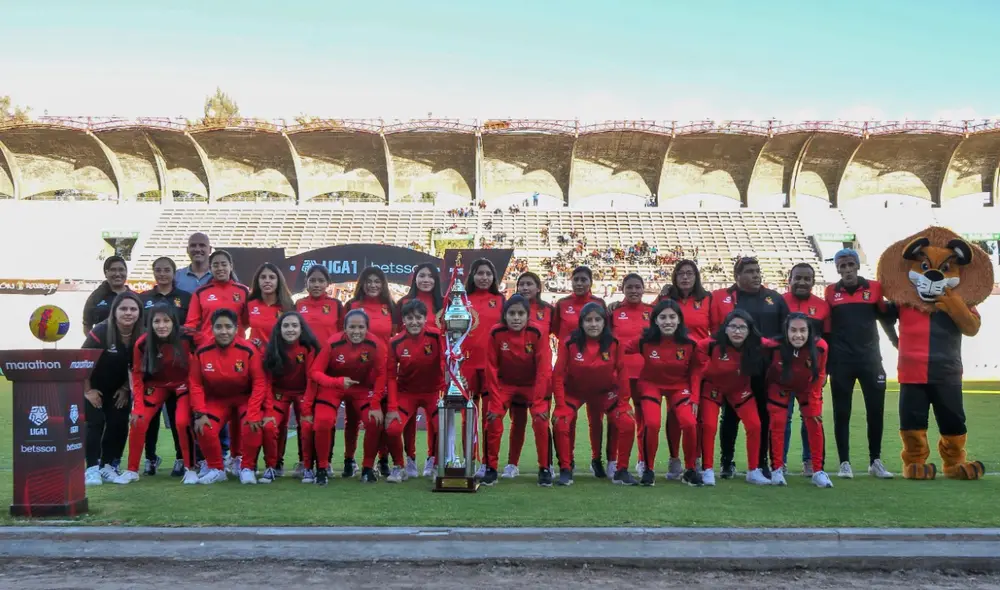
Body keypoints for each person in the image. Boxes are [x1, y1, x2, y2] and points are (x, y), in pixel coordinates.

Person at [303, 310, 403, 484]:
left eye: (361, 327)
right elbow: (314, 372)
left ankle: (367, 468)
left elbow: (381, 375)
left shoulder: (375, 344)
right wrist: (337, 382)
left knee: (373, 420)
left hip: (361, 389)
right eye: (352, 327)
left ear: (367, 328)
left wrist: (375, 404)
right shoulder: (333, 343)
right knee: (323, 422)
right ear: (345, 328)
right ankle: (322, 468)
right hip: (334, 387)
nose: (356, 331)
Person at [710, 256, 788, 479]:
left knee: (763, 415)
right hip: (735, 368)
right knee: (731, 416)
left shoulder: (774, 298)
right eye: (750, 271)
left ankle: (761, 462)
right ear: (737, 276)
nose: (756, 275)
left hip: (765, 369)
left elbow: (786, 330)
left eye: (757, 271)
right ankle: (727, 461)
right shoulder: (725, 298)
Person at [824, 248, 894, 480]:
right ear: (837, 269)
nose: (846, 270)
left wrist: (896, 342)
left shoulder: (874, 288)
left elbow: (884, 317)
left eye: (850, 265)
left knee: (875, 411)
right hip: (842, 361)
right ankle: (845, 462)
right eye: (841, 266)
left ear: (857, 266)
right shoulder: (830, 292)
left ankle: (875, 461)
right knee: (841, 412)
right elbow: (827, 329)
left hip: (871, 360)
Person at [552, 303, 638, 487]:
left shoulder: (614, 343)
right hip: (575, 392)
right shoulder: (570, 343)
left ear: (604, 322)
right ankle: (566, 469)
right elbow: (557, 375)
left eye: (597, 320)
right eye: (588, 320)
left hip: (605, 393)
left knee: (627, 422)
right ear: (581, 323)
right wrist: (559, 406)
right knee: (561, 422)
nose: (593, 324)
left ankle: (621, 470)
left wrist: (624, 403)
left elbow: (623, 373)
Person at [113, 303, 197, 485]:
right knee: (138, 420)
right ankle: (132, 470)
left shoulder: (188, 336)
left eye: (166, 320)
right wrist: (138, 407)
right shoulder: (142, 343)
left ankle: (191, 469)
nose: (161, 325)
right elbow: (136, 374)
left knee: (182, 422)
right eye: (156, 321)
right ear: (149, 323)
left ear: (174, 322)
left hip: (183, 385)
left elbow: (210, 346)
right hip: (156, 386)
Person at [184, 249, 250, 474]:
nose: (220, 268)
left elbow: (248, 322)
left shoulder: (242, 291)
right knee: (212, 410)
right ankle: (212, 462)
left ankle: (237, 458)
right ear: (210, 269)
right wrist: (207, 341)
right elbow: (191, 324)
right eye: (216, 265)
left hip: (238, 358)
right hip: (209, 357)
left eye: (224, 264)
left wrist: (241, 344)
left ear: (231, 266)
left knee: (241, 413)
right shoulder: (201, 292)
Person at [188, 308, 268, 485]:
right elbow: (195, 383)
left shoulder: (248, 350)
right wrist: (200, 413)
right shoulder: (202, 352)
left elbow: (259, 382)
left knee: (252, 424)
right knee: (203, 427)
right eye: (219, 327)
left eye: (228, 327)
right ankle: (217, 468)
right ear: (212, 328)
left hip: (243, 398)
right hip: (217, 399)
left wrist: (254, 411)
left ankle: (247, 468)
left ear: (236, 328)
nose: (224, 331)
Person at [628, 299, 702, 486]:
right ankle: (648, 470)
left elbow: (695, 370)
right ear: (655, 320)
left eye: (672, 317)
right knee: (652, 424)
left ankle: (690, 469)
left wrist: (694, 396)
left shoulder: (690, 343)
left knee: (689, 423)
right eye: (663, 317)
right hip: (651, 385)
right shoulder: (644, 340)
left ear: (679, 320)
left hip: (679, 386)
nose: (667, 321)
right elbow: (618, 349)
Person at [482, 295, 554, 487]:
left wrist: (539, 401)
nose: (516, 318)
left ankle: (544, 468)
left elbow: (543, 370)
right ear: (504, 315)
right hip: (506, 384)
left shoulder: (537, 333)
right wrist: (495, 401)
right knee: (494, 418)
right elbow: (491, 368)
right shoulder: (496, 332)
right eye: (511, 313)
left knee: (540, 420)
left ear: (527, 316)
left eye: (520, 313)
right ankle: (491, 468)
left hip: (532, 385)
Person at [694, 309, 772, 486]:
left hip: (739, 389)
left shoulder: (756, 344)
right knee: (709, 426)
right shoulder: (709, 345)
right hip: (713, 389)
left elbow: (778, 345)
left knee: (755, 425)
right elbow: (699, 366)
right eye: (733, 327)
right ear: (725, 328)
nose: (737, 331)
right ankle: (707, 470)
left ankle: (753, 470)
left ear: (749, 330)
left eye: (742, 328)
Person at [552, 266, 609, 477]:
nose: (579, 283)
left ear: (590, 282)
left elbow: (605, 333)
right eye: (576, 279)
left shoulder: (599, 304)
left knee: (596, 419)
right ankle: (569, 460)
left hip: (595, 373)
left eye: (583, 279)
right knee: (569, 418)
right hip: (569, 372)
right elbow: (557, 331)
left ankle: (597, 459)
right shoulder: (562, 304)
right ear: (571, 281)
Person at [764, 313, 833, 488]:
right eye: (793, 330)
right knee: (778, 422)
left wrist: (814, 399)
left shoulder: (820, 347)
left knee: (814, 422)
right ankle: (777, 469)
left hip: (807, 388)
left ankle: (818, 471)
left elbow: (821, 373)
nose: (798, 335)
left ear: (809, 332)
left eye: (803, 330)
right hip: (779, 386)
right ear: (785, 331)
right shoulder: (773, 346)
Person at [251, 311, 320, 484]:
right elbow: (266, 382)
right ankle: (272, 466)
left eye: (295, 325)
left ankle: (307, 466)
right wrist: (267, 409)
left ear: (301, 328)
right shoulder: (272, 348)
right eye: (286, 325)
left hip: (303, 393)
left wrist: (307, 407)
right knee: (269, 426)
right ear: (279, 329)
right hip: (278, 394)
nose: (290, 329)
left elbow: (312, 379)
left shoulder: (309, 348)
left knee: (306, 425)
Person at [82, 291, 143, 486]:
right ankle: (91, 469)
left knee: (118, 423)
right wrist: (88, 391)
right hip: (94, 387)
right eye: (123, 308)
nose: (128, 313)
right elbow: (81, 361)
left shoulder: (141, 335)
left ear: (139, 312)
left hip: (119, 389)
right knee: (96, 423)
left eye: (133, 309)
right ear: (114, 311)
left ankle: (108, 466)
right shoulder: (101, 332)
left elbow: (138, 366)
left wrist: (126, 388)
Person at [139, 256, 192, 478]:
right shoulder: (143, 299)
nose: (162, 274)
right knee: (148, 418)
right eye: (158, 270)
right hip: (152, 367)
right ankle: (150, 458)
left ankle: (182, 458)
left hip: (177, 367)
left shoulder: (185, 298)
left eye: (166, 270)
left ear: (174, 273)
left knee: (177, 415)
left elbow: (189, 329)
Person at [343, 267, 398, 478]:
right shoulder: (352, 306)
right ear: (361, 284)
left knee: (380, 417)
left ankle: (382, 459)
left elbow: (395, 335)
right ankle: (349, 459)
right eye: (368, 281)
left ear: (383, 284)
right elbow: (344, 333)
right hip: (355, 370)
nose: (373, 285)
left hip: (382, 371)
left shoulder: (390, 307)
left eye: (377, 281)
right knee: (352, 419)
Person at [659, 260, 712, 480]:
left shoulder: (707, 299)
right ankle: (674, 460)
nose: (685, 277)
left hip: (700, 365)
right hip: (674, 365)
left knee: (697, 414)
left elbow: (718, 330)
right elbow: (650, 319)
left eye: (689, 273)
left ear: (696, 276)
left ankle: (695, 459)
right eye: (680, 273)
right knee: (674, 413)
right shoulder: (666, 299)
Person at [502, 271, 556, 478]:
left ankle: (547, 465)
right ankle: (512, 464)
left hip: (540, 379)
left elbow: (565, 332)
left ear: (538, 287)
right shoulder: (512, 309)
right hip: (515, 378)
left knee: (541, 420)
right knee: (518, 423)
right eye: (521, 284)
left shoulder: (549, 310)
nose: (525, 288)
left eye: (529, 284)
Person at [395, 262, 444, 478]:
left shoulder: (444, 302)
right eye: (421, 275)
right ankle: (409, 459)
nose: (426, 280)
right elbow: (400, 336)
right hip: (409, 373)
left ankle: (433, 461)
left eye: (430, 276)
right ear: (414, 278)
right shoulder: (403, 303)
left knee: (438, 424)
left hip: (434, 375)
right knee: (406, 422)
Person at [294, 264, 344, 477]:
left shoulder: (336, 305)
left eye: (320, 280)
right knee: (303, 414)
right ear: (306, 283)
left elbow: (342, 334)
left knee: (326, 416)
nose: (316, 284)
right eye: (312, 280)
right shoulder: (299, 304)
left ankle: (327, 460)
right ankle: (302, 460)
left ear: (328, 283)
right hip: (303, 366)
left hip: (328, 367)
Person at [782, 263, 831, 476]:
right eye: (798, 278)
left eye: (807, 278)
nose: (802, 282)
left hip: (810, 376)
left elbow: (827, 340)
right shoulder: (779, 302)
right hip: (783, 373)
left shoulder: (823, 306)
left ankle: (810, 461)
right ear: (789, 279)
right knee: (783, 418)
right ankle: (779, 461)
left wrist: (824, 372)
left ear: (813, 281)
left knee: (810, 417)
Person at [462, 259, 506, 478]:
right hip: (466, 366)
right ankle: (467, 461)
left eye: (488, 273)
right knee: (467, 417)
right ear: (472, 276)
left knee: (492, 417)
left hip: (491, 368)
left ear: (494, 278)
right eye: (480, 273)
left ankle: (491, 465)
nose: (484, 277)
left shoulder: (500, 300)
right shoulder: (461, 300)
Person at [609, 274, 653, 477]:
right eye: (630, 287)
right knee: (621, 419)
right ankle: (616, 461)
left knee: (644, 420)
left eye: (638, 287)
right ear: (623, 289)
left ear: (644, 289)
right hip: (620, 374)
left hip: (646, 373)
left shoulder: (652, 312)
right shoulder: (614, 311)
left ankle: (642, 461)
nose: (634, 291)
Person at [246, 262, 295, 349]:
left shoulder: (288, 306)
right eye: (263, 277)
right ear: (258, 281)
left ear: (278, 281)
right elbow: (241, 326)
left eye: (272, 277)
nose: (267, 281)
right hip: (255, 358)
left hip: (278, 358)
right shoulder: (250, 304)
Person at [82, 256, 131, 335]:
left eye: (121, 269)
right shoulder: (95, 297)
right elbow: (87, 325)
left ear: (126, 272)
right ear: (106, 273)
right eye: (113, 270)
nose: (117, 274)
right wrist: (93, 343)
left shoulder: (135, 298)